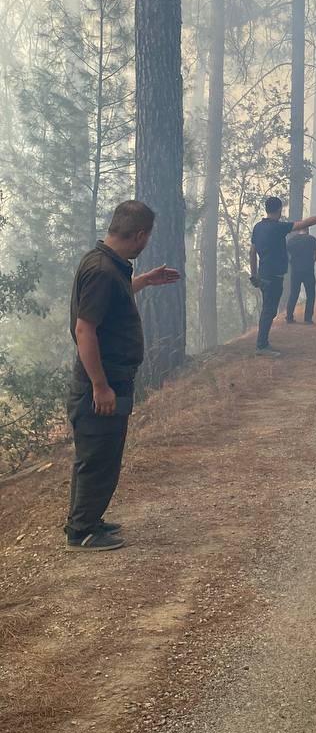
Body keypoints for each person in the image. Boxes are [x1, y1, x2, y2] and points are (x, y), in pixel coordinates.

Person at [65, 200, 181, 552]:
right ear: (140, 234)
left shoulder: (107, 265)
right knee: (98, 455)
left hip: (111, 378)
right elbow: (85, 329)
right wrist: (100, 386)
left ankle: (87, 519)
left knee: (101, 453)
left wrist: (143, 281)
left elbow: (108, 303)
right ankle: (82, 531)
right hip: (102, 380)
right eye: (148, 237)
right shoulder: (102, 270)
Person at [249, 197, 316, 354]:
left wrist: (254, 274)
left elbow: (252, 251)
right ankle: (261, 345)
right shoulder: (278, 227)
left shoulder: (258, 227)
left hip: (263, 274)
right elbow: (305, 223)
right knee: (269, 310)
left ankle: (263, 342)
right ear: (279, 210)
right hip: (274, 276)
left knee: (269, 309)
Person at [285, 228, 316, 324]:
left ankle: (289, 317)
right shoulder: (312, 239)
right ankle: (308, 319)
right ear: (308, 230)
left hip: (296, 271)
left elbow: (286, 255)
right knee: (310, 294)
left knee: (294, 293)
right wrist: (311, 261)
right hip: (308, 270)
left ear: (298, 231)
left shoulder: (292, 241)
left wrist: (292, 262)